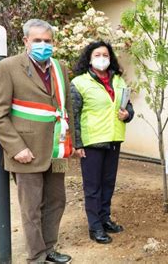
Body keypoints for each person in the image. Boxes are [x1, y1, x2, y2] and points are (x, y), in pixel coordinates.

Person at [0, 19, 74, 263]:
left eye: (47, 41)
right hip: (26, 151)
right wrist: (17, 148)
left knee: (57, 201)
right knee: (32, 208)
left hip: (56, 149)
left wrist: (72, 144)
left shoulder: (60, 68)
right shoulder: (8, 67)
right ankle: (36, 256)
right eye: (37, 41)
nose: (43, 45)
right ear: (26, 41)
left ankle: (49, 249)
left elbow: (65, 109)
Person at [71, 41, 134, 244]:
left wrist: (128, 114)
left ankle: (105, 219)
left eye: (105, 55)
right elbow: (73, 116)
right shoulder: (79, 83)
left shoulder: (118, 81)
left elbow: (128, 107)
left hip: (114, 139)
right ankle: (95, 226)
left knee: (108, 183)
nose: (102, 58)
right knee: (93, 187)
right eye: (97, 55)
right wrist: (77, 144)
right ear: (89, 58)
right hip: (92, 142)